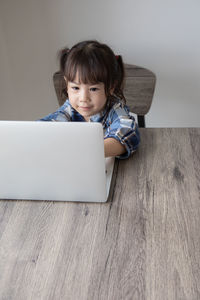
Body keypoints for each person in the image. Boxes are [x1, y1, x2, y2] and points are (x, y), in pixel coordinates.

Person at [39, 40, 140, 159]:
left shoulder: (114, 109)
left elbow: (128, 132)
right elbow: (49, 125)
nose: (83, 98)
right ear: (67, 85)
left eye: (93, 89)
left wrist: (85, 151)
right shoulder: (69, 109)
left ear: (111, 88)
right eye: (75, 88)